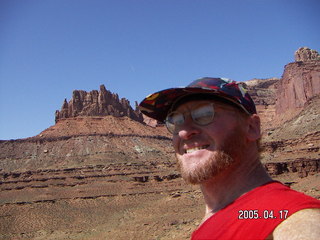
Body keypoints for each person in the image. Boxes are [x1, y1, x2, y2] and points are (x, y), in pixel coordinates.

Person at [139, 77, 320, 240]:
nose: (184, 132)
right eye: (176, 120)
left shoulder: (284, 214)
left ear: (252, 127)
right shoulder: (215, 216)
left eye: (204, 114)